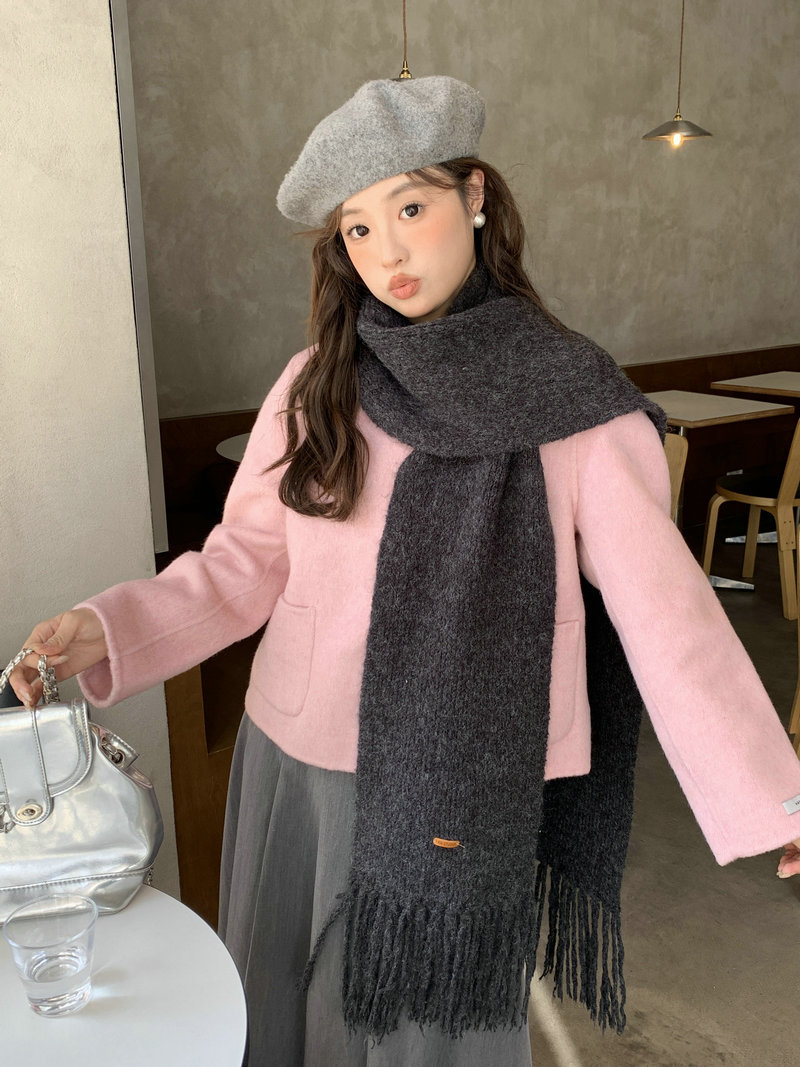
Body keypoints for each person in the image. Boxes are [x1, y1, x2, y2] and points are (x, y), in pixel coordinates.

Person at [9, 75, 800, 1067]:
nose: (386, 253)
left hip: (460, 774)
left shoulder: (573, 403)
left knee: (433, 1036)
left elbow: (667, 614)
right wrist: (105, 628)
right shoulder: (317, 384)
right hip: (303, 761)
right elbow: (243, 563)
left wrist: (774, 792)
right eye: (357, 228)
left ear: (475, 194)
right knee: (284, 1006)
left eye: (411, 209)